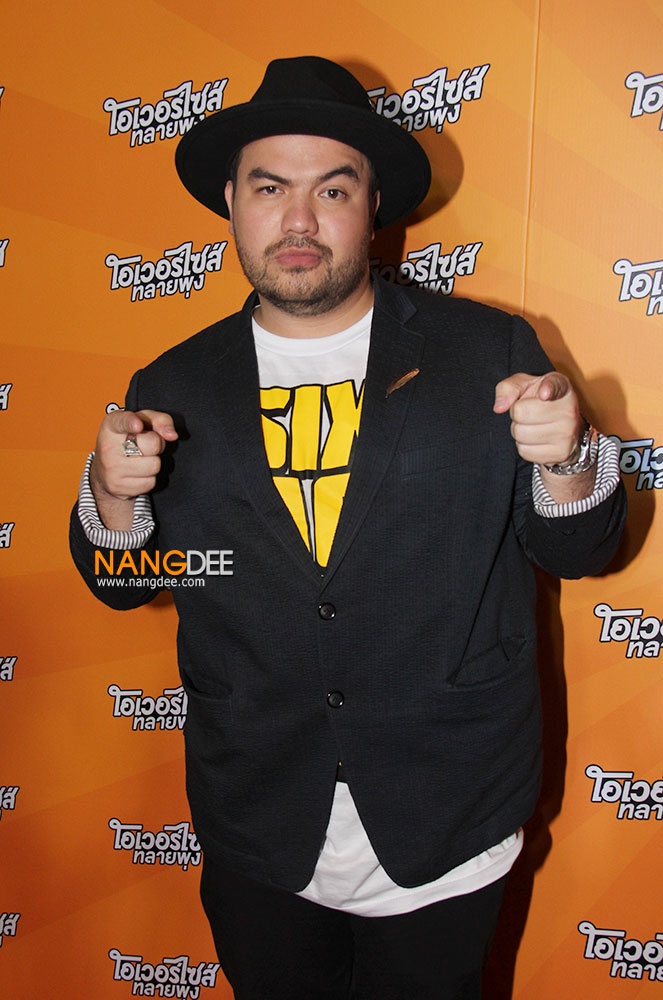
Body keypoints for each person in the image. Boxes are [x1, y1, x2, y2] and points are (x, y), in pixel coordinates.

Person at [70, 56, 626, 999]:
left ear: (373, 207)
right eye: (269, 188)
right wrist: (113, 499)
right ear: (231, 202)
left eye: (331, 189)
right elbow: (128, 583)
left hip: (447, 813)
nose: (298, 220)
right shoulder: (174, 384)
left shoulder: (486, 352)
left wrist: (567, 459)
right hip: (258, 819)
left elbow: (581, 550)